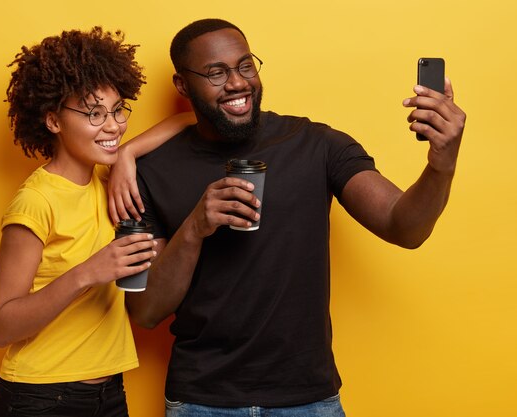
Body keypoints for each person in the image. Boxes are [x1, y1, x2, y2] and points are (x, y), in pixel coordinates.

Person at [110, 18, 466, 416]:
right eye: (216, 72)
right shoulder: (149, 172)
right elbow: (144, 313)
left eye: (246, 65)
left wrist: (442, 163)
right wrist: (195, 226)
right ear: (182, 86)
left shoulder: (317, 145)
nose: (237, 83)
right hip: (202, 402)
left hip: (309, 400)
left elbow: (405, 227)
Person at [0, 27, 191, 417]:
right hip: (40, 397)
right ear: (53, 122)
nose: (112, 125)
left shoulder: (110, 182)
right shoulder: (36, 201)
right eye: (94, 113)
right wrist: (88, 273)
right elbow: (0, 325)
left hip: (108, 393)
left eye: (117, 110)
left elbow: (188, 121)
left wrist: (127, 154)